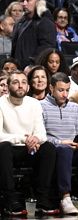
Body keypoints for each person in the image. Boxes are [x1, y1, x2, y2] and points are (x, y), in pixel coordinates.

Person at [40, 72, 78, 216]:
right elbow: (41, 135)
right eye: (61, 90)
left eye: (67, 90)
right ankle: (65, 197)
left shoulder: (74, 108)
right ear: (51, 88)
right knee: (63, 149)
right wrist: (61, 142)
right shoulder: (40, 106)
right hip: (54, 150)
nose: (65, 94)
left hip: (73, 148)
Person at [0, 71, 59, 216]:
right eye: (15, 82)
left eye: (23, 82)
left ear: (27, 87)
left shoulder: (34, 104)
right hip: (10, 150)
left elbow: (41, 134)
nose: (20, 85)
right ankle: (11, 200)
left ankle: (43, 200)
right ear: (7, 86)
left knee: (48, 148)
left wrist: (35, 139)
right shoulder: (1, 103)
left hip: (30, 149)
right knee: (3, 147)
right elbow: (0, 136)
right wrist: (24, 139)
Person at [11, 0, 56, 67]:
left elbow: (46, 47)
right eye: (23, 1)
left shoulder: (45, 22)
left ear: (38, 3)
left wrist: (31, 64)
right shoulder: (19, 23)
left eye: (28, 1)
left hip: (35, 69)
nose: (24, 4)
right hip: (19, 68)